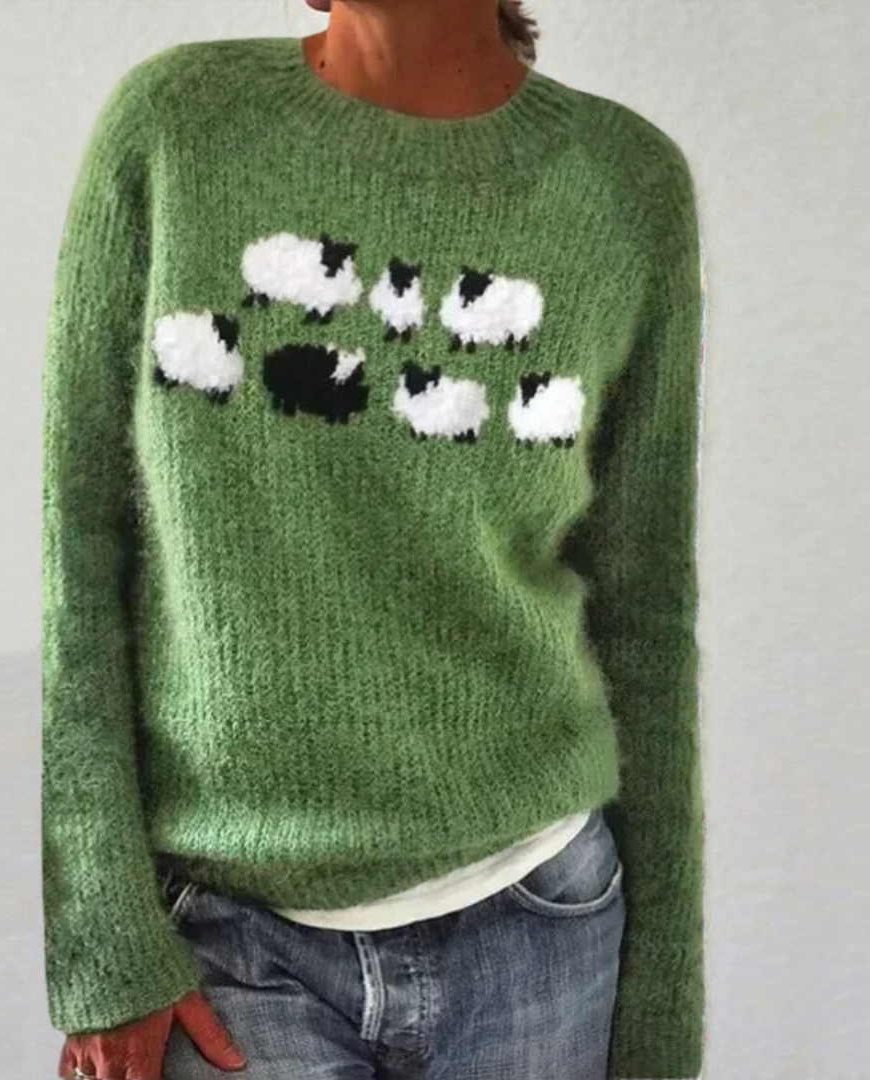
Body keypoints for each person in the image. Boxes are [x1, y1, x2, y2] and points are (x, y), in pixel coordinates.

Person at [40, 2, 708, 1078]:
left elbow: (646, 607)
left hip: (540, 925)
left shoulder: (624, 186)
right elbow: (79, 545)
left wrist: (661, 1018)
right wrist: (103, 942)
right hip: (227, 940)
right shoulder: (177, 129)